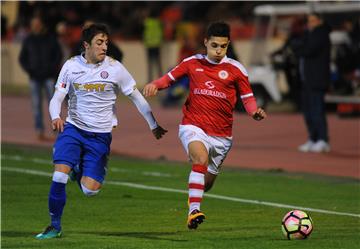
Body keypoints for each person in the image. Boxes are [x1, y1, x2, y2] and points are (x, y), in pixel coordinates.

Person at [35, 23, 167, 239]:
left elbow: (136, 97)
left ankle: (77, 169)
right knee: (59, 176)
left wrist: (153, 124)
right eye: (99, 42)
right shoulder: (70, 66)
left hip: (100, 136)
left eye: (106, 42)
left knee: (90, 190)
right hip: (73, 129)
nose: (105, 46)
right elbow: (57, 97)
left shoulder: (115, 68)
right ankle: (54, 226)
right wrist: (55, 116)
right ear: (86, 45)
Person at [143, 22, 266, 229]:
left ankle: (197, 193)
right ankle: (193, 211)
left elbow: (247, 97)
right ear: (206, 42)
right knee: (200, 157)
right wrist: (155, 84)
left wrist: (254, 111)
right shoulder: (192, 62)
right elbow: (169, 78)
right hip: (193, 126)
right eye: (215, 45)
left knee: (206, 183)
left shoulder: (236, 69)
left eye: (223, 46)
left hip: (222, 136)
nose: (219, 51)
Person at [19, 15, 63, 140]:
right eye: (34, 24)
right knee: (36, 105)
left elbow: (58, 55)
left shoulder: (50, 38)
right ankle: (39, 130)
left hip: (49, 76)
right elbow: (22, 58)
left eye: (38, 24)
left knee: (54, 104)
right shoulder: (28, 40)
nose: (36, 26)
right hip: (34, 78)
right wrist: (30, 70)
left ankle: (57, 130)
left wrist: (52, 69)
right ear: (32, 26)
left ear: (42, 25)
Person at [293, 13, 331, 153]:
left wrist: (298, 47)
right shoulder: (309, 35)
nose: (310, 24)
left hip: (317, 80)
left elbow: (307, 50)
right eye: (309, 21)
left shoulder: (321, 34)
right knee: (308, 112)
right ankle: (313, 138)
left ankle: (323, 140)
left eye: (313, 21)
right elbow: (298, 46)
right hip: (306, 80)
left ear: (320, 21)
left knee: (317, 111)